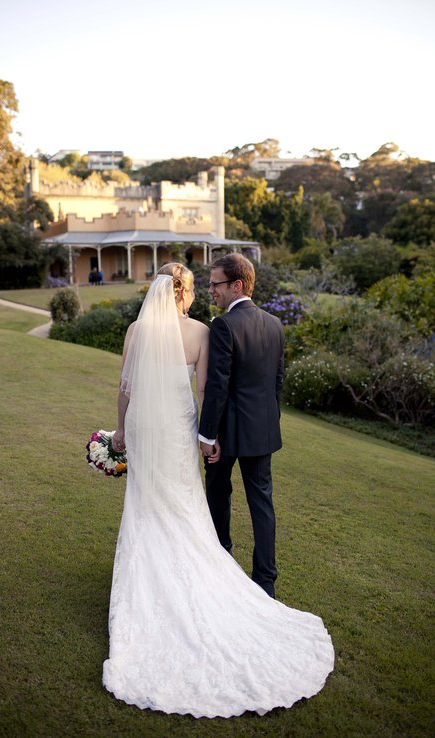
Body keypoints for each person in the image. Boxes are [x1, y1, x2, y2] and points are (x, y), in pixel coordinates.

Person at [103, 262, 334, 718]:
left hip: (145, 430)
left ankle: (165, 573)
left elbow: (125, 388)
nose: (207, 293)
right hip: (185, 430)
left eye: (217, 284)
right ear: (184, 293)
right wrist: (205, 434)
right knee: (197, 505)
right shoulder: (208, 333)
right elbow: (208, 389)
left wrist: (119, 431)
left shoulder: (135, 330)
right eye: (200, 288)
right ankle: (241, 574)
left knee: (149, 503)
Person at [199, 253, 283, 598]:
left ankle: (222, 564)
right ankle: (266, 581)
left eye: (215, 284)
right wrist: (267, 422)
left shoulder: (224, 325)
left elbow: (218, 384)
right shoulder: (275, 324)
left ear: (237, 285)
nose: (210, 291)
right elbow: (277, 382)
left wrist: (207, 435)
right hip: (262, 431)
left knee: (218, 494)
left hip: (228, 434)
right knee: (262, 503)